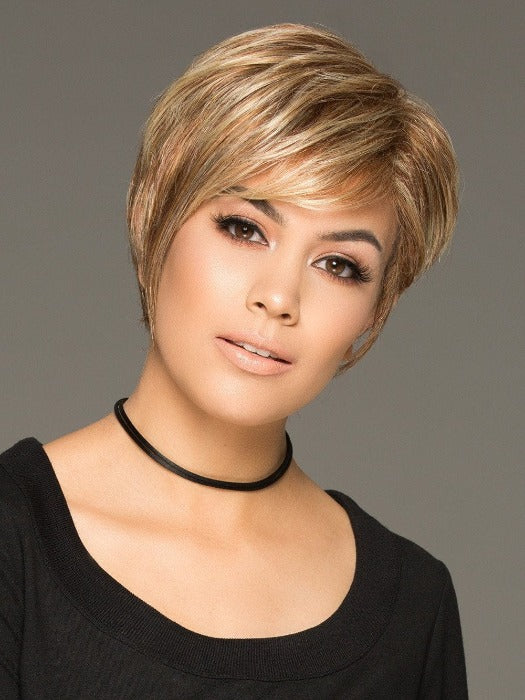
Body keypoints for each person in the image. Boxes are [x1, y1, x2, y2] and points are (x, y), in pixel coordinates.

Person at [0, 23, 468, 698]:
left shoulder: (413, 608)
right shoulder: (13, 538)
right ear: (153, 210)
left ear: (377, 306)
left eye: (339, 265)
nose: (278, 297)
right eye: (245, 228)